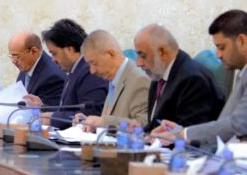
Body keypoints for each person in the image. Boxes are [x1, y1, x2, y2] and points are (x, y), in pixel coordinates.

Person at [151, 10, 247, 146]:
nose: (218, 54)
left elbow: (239, 124)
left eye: (222, 47)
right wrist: (181, 131)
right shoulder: (242, 71)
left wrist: (184, 134)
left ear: (242, 41)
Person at [134, 23, 224, 130]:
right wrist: (138, 131)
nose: (138, 63)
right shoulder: (158, 73)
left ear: (162, 52)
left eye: (143, 56)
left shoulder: (193, 80)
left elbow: (189, 133)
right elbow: (156, 124)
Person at [24, 19, 108, 127]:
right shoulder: (75, 70)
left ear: (70, 49)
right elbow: (69, 110)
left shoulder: (89, 71)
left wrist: (51, 119)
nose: (52, 59)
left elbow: (88, 115)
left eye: (54, 53)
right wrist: (43, 107)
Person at [73, 30, 150, 128]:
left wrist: (103, 122)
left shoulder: (139, 79)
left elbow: (143, 124)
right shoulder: (114, 80)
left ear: (111, 54)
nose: (92, 71)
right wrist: (90, 121)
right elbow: (112, 117)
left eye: (94, 63)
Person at [0, 31, 66, 107]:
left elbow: (50, 113)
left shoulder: (53, 77)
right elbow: (19, 102)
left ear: (33, 51)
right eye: (12, 56)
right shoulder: (27, 67)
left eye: (17, 56)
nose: (13, 61)